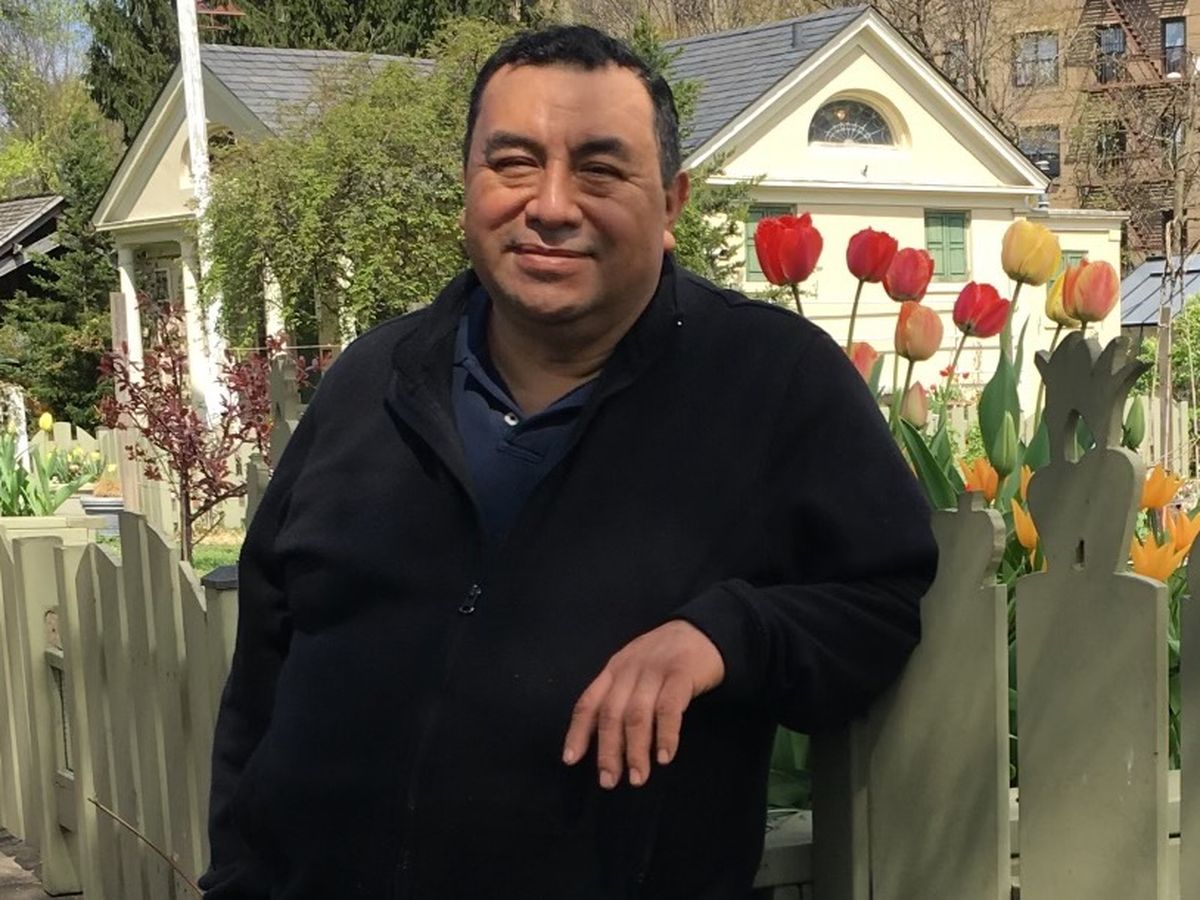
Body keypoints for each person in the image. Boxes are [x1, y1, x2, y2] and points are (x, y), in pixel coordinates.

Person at [199, 24, 937, 900]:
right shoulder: (375, 380)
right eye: (513, 163)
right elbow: (264, 668)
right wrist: (235, 877)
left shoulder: (770, 382)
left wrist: (724, 635)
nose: (550, 205)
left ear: (671, 204)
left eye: (599, 170)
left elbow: (880, 599)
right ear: (467, 186)